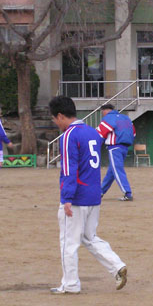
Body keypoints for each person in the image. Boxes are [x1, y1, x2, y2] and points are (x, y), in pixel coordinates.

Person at [48, 96, 128, 294]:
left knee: (68, 242)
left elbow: (69, 169)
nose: (55, 123)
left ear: (60, 116)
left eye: (54, 119)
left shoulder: (68, 136)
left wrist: (67, 198)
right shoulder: (93, 132)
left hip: (77, 197)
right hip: (94, 195)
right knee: (89, 237)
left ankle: (70, 284)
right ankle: (117, 265)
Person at [96, 104, 136, 201]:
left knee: (117, 170)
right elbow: (133, 133)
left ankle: (127, 193)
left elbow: (100, 134)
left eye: (102, 112)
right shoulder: (126, 118)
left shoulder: (108, 118)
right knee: (111, 171)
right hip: (125, 147)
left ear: (105, 111)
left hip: (114, 148)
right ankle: (100, 192)